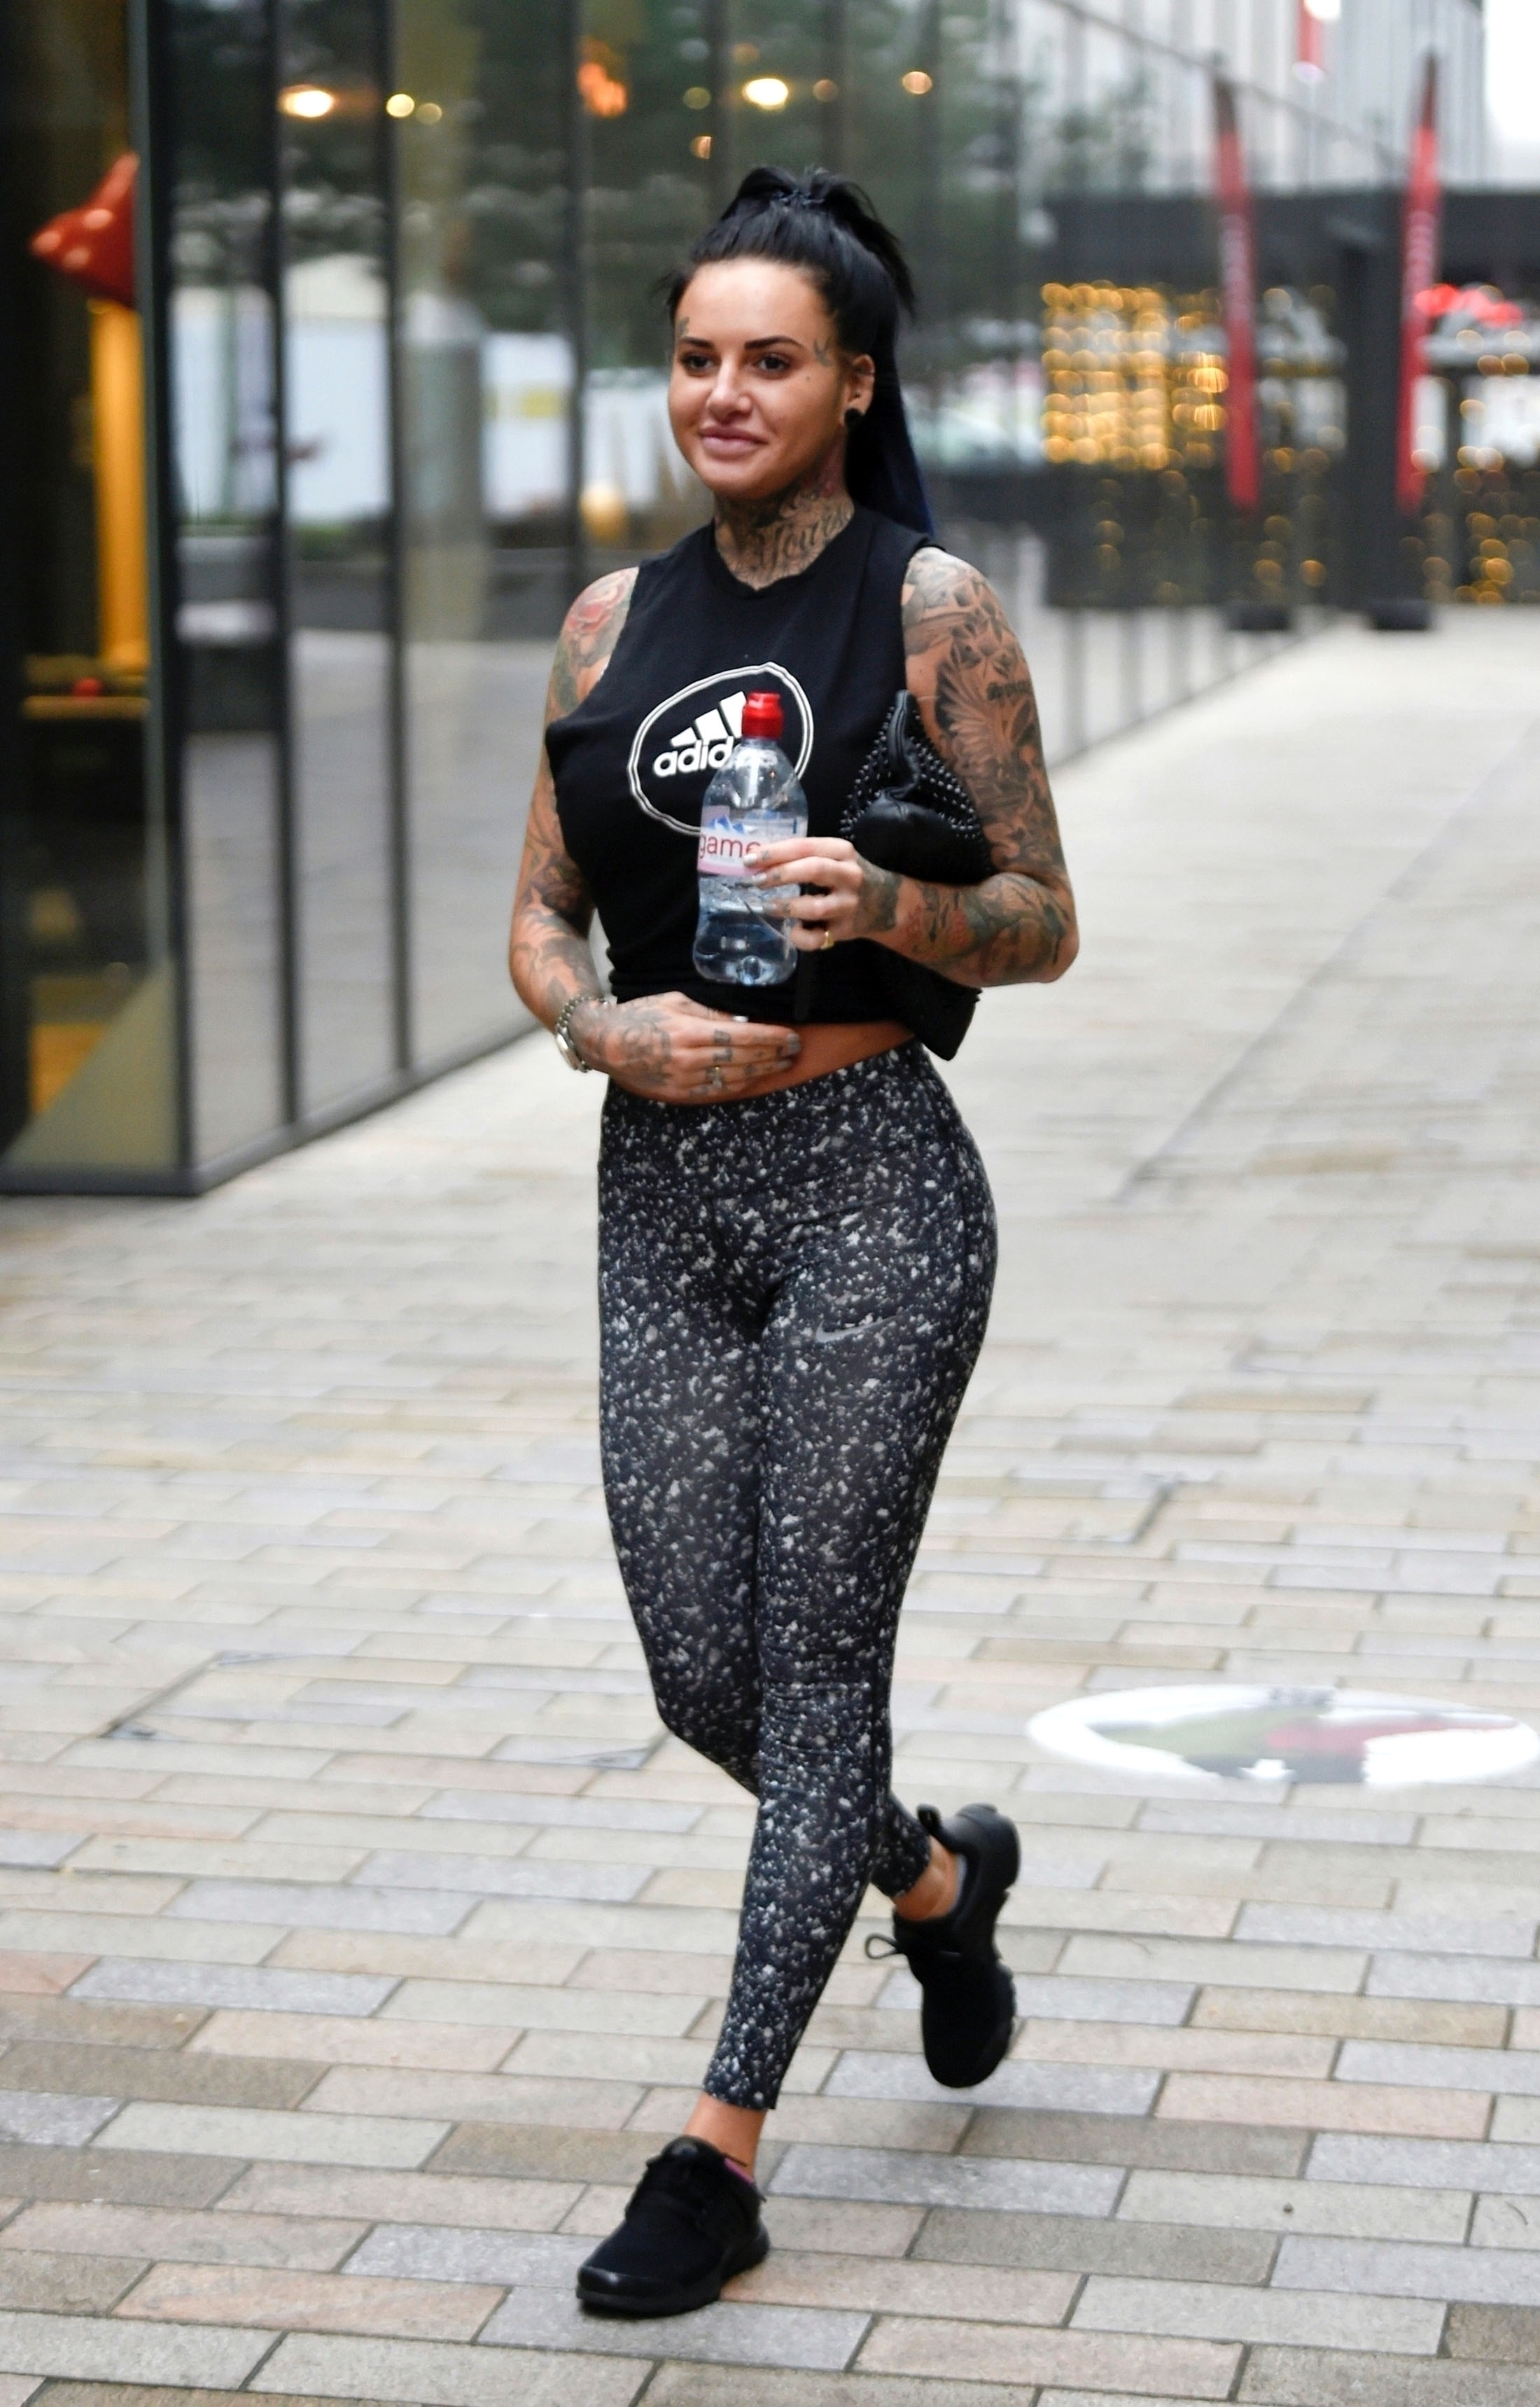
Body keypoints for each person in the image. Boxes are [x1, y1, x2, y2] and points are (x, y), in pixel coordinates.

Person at [509, 166, 1077, 2320]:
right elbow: (538, 917)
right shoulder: (607, 624)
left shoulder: (930, 609)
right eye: (696, 358)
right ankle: (934, 1882)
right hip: (660, 1196)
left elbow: (1044, 917)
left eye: (772, 360)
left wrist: (891, 903)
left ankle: (718, 2151)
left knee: (820, 1668)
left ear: (853, 385)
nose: (724, 392)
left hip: (872, 1188)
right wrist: (600, 1026)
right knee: (703, 1677)